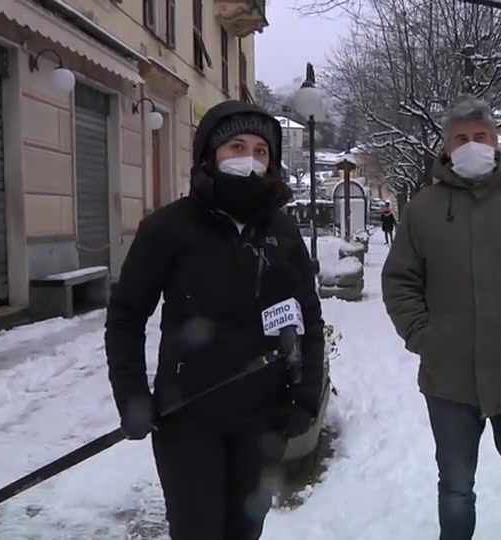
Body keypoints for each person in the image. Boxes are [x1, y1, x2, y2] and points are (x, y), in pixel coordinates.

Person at [104, 100, 325, 540]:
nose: (250, 158)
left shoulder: (281, 231)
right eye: (236, 146)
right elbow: (126, 317)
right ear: (210, 155)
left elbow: (308, 317)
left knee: (246, 530)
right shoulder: (168, 229)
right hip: (187, 418)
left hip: (263, 417)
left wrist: (305, 394)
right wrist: (131, 395)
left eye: (261, 150)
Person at [381, 96, 501, 540]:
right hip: (449, 380)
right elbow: (400, 281)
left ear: (496, 142)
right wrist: (423, 336)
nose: (472, 145)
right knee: (455, 489)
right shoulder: (423, 209)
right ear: (446, 148)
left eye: (481, 137)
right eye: (461, 139)